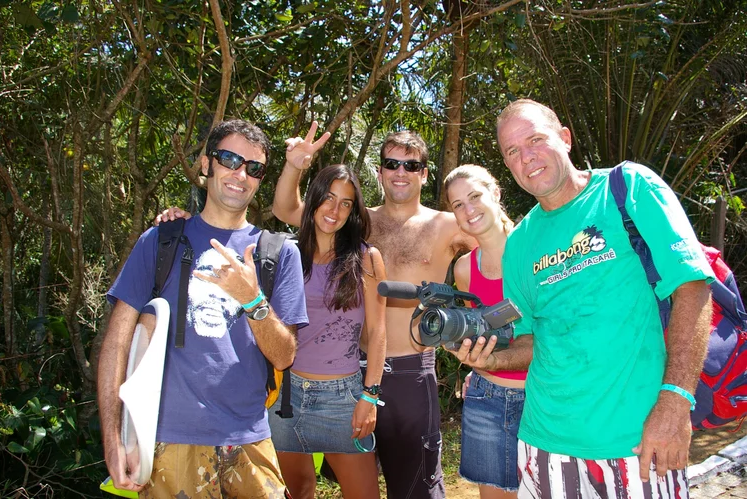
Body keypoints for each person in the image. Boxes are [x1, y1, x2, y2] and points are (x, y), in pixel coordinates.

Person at [454, 99, 714, 498]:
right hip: (543, 445)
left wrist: (676, 401)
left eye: (535, 139)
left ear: (565, 138)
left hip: (635, 442)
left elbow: (692, 288)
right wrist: (491, 360)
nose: (527, 157)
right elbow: (531, 339)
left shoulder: (628, 188)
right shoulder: (520, 243)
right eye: (513, 151)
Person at [97, 120, 308, 498]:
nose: (240, 174)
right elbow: (117, 344)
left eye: (254, 168)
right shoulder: (160, 241)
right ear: (206, 164)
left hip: (251, 441)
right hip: (170, 445)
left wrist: (252, 299)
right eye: (229, 159)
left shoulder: (278, 253)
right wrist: (114, 440)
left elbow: (284, 356)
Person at [273, 122, 475, 499]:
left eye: (411, 165)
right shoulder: (358, 221)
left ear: (424, 174)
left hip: (411, 372)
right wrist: (295, 166)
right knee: (355, 483)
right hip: (353, 372)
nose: (401, 172)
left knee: (416, 487)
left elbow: (501, 249)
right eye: (392, 164)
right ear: (380, 171)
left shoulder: (447, 225)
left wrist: (478, 323)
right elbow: (287, 209)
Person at [267, 161, 387, 499]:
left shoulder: (367, 258)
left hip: (342, 398)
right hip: (285, 395)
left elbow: (378, 332)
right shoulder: (286, 253)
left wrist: (370, 395)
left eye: (345, 203)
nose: (334, 210)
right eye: (329, 198)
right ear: (314, 198)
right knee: (297, 491)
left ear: (353, 212)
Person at [443, 164, 526, 499]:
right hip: (485, 399)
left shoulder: (534, 250)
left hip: (541, 398)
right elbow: (479, 330)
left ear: (496, 193)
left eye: (475, 196)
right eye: (458, 205)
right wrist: (469, 356)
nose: (469, 209)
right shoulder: (464, 268)